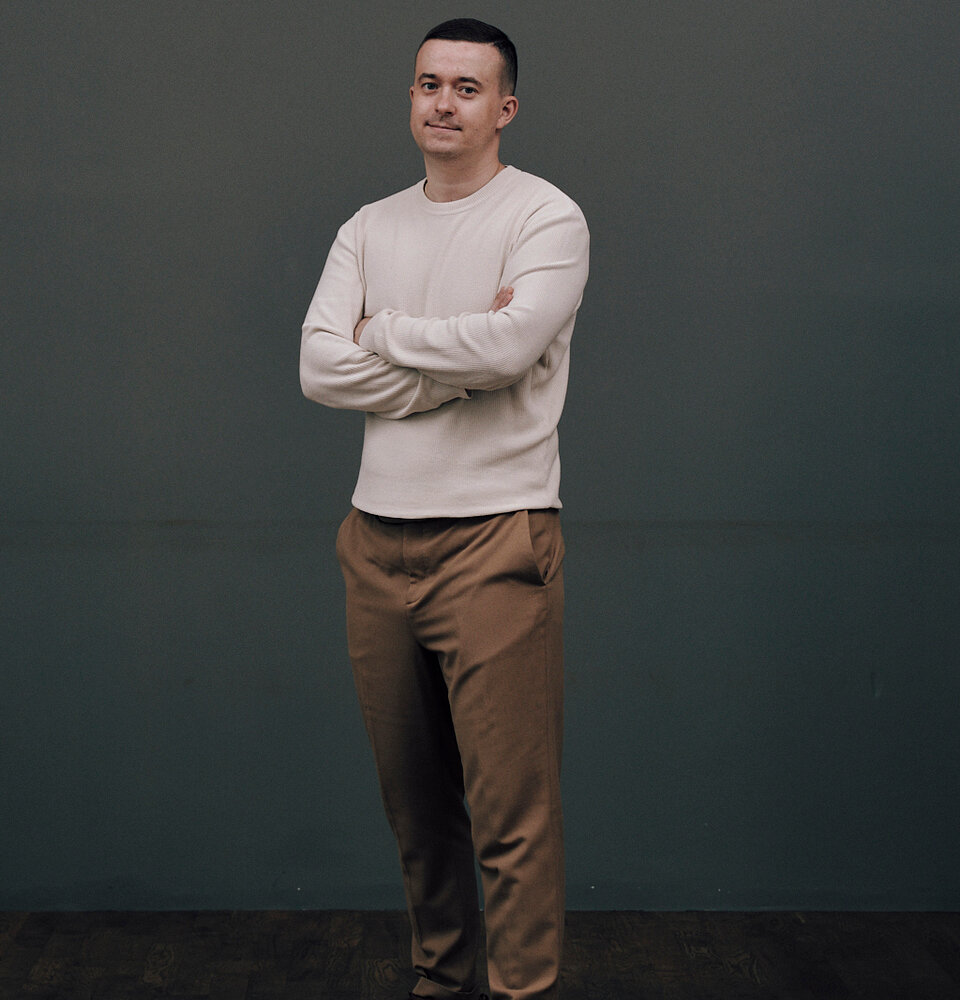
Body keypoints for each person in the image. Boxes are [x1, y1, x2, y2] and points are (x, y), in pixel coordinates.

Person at [300, 18, 589, 1000]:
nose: (444, 103)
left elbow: (510, 349)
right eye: (429, 84)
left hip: (498, 538)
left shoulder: (546, 217)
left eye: (467, 88)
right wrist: (456, 369)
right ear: (412, 97)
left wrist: (383, 331)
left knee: (512, 811)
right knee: (416, 807)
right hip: (374, 542)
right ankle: (442, 977)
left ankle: (521, 991)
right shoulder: (368, 226)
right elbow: (318, 367)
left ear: (505, 108)